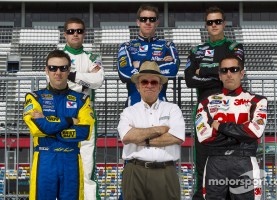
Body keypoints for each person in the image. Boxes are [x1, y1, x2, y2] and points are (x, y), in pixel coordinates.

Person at [184, 6, 244, 200]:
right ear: (206, 26)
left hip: (231, 110)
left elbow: (233, 72)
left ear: (224, 23)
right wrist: (219, 74)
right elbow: (189, 80)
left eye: (218, 21)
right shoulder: (197, 50)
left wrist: (204, 70)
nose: (214, 25)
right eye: (210, 22)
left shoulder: (235, 47)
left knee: (233, 159)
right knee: (202, 161)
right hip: (204, 113)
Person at [23, 50, 95, 200]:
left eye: (63, 68)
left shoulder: (82, 100)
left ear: (69, 70)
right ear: (46, 70)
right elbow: (37, 129)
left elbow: (84, 131)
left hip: (71, 161)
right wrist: (69, 121)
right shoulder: (34, 97)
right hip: (44, 159)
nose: (58, 72)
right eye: (53, 68)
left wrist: (50, 126)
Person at [194, 55, 267, 199]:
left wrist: (220, 126)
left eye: (234, 69)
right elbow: (204, 137)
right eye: (224, 70)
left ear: (242, 73)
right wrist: (239, 134)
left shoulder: (258, 101)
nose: (229, 74)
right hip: (215, 163)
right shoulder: (205, 103)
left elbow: (254, 131)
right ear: (219, 75)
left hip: (245, 161)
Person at [117, 61, 185, 200]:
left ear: (160, 87)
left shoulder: (172, 108)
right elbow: (127, 137)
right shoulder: (128, 111)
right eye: (144, 82)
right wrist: (160, 129)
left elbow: (175, 137)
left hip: (166, 171)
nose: (149, 85)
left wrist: (143, 139)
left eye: (154, 82)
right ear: (137, 86)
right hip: (135, 171)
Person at [63, 17, 105, 200]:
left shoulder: (92, 57)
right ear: (65, 34)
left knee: (87, 167)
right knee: (62, 164)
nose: (75, 34)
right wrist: (85, 79)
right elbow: (54, 80)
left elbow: (98, 81)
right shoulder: (57, 56)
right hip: (62, 114)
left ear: (84, 33)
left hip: (86, 115)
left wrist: (71, 76)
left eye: (79, 31)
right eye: (71, 31)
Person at [117, 4, 180, 107]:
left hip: (160, 103)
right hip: (134, 103)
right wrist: (161, 63)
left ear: (157, 22)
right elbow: (124, 73)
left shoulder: (167, 45)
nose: (148, 22)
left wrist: (139, 64)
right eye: (143, 19)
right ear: (138, 22)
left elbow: (173, 69)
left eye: (152, 19)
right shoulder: (126, 46)